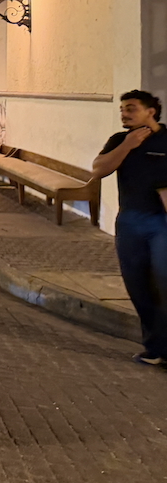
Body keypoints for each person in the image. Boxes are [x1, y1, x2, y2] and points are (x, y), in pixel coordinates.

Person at [92, 90, 167, 365]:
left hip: (161, 222)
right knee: (137, 284)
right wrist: (127, 146)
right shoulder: (119, 140)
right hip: (129, 220)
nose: (124, 114)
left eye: (131, 108)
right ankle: (156, 348)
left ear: (151, 111)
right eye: (122, 109)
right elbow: (99, 169)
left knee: (164, 281)